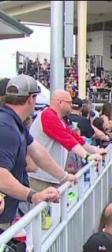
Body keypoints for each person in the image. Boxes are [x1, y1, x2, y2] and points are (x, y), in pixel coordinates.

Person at [0, 75, 68, 229]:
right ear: (31, 98)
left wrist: (64, 177)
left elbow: (38, 152)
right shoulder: (7, 126)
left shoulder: (15, 123)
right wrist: (33, 195)